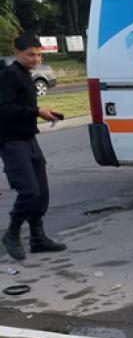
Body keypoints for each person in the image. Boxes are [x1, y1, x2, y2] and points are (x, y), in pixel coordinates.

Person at [0, 33, 67, 260]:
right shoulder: (9, 76)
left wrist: (43, 113)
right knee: (29, 191)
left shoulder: (26, 74)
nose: (36, 59)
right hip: (12, 142)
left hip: (29, 139)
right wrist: (37, 111)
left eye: (39, 55)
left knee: (42, 192)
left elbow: (22, 107)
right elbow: (6, 110)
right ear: (17, 52)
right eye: (31, 55)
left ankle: (38, 238)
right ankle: (12, 233)